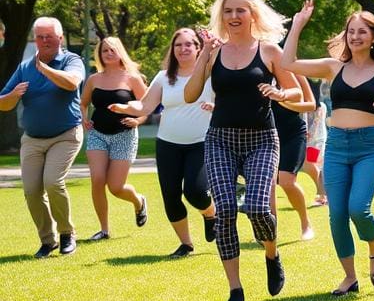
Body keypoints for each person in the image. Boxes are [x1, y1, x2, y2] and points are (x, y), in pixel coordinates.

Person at [281, 0, 374, 295]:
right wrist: (297, 25)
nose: (355, 36)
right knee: (337, 213)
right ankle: (349, 277)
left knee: (359, 208)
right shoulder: (334, 67)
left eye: (362, 32)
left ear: (373, 37)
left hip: (369, 145)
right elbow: (288, 62)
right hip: (337, 145)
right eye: (351, 31)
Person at [185, 0, 301, 301]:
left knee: (258, 208)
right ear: (221, 17)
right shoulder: (214, 51)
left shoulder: (269, 51)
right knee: (224, 212)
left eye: (240, 11)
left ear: (253, 14)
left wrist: (279, 94)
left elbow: (293, 91)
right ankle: (235, 290)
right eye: (228, 11)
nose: (234, 17)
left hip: (262, 140)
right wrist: (204, 56)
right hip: (220, 139)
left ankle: (272, 253)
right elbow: (190, 94)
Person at [109, 28, 217, 257]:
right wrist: (125, 107)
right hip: (168, 144)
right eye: (178, 45)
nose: (183, 49)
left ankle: (210, 213)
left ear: (198, 48)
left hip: (201, 142)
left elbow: (226, 100)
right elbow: (145, 106)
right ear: (173, 49)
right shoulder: (164, 76)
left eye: (189, 44)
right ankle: (186, 244)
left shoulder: (210, 73)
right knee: (170, 195)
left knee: (195, 192)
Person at [0, 17, 85, 257]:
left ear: (60, 38)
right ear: (34, 39)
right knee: (31, 190)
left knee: (52, 182)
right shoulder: (25, 67)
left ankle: (68, 233)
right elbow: (3, 104)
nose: (44, 41)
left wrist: (46, 69)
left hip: (65, 135)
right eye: (40, 36)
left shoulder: (71, 60)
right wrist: (13, 95)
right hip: (33, 138)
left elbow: (71, 84)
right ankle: (48, 240)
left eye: (49, 36)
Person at [79, 37, 149, 240]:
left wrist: (139, 120)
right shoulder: (93, 79)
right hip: (97, 135)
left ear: (120, 52)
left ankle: (138, 201)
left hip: (124, 136)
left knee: (116, 187)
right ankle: (104, 230)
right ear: (99, 55)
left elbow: (148, 106)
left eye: (112, 50)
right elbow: (83, 103)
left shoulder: (132, 78)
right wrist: (84, 119)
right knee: (97, 180)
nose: (108, 54)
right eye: (104, 51)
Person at [272, 73, 317, 241]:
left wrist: (280, 98)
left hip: (293, 134)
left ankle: (306, 223)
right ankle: (269, 229)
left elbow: (311, 105)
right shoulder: (258, 71)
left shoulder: (295, 73)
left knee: (286, 181)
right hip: (264, 134)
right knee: (267, 185)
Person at [304, 82, 329, 206]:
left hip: (315, 141)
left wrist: (307, 134)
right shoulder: (315, 106)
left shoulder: (318, 107)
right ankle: (322, 194)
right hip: (313, 140)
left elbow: (315, 123)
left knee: (315, 166)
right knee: (315, 167)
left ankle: (323, 195)